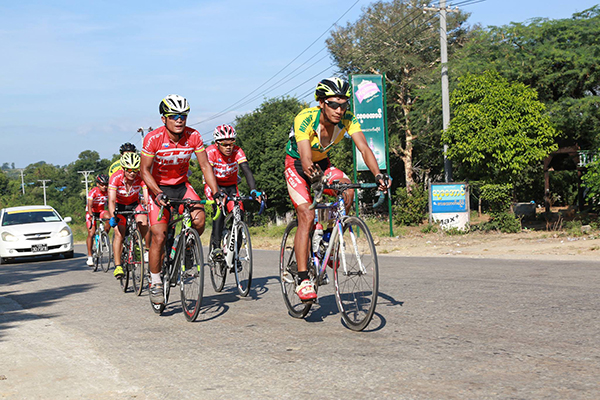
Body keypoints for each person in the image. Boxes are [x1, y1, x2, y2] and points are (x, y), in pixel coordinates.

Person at [284, 77, 391, 301]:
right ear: (321, 103)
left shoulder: (349, 120)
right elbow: (305, 158)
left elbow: (364, 148)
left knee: (348, 190)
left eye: (344, 104)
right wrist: (316, 180)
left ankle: (330, 239)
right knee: (307, 214)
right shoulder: (305, 118)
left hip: (323, 163)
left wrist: (378, 174)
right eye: (334, 104)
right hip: (297, 164)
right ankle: (303, 279)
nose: (340, 110)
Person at [140, 94, 222, 305]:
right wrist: (157, 193)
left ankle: (186, 251)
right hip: (158, 188)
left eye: (183, 116)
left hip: (181, 186)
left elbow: (205, 166)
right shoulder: (153, 138)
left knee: (200, 219)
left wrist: (216, 192)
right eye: (174, 116)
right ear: (163, 119)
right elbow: (144, 171)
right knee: (159, 235)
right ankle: (156, 281)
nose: (179, 120)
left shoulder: (193, 136)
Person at [204, 124, 263, 262]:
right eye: (225, 144)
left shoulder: (238, 151)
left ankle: (234, 254)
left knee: (239, 214)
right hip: (214, 185)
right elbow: (208, 174)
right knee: (219, 209)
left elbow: (246, 170)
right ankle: (216, 246)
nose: (229, 147)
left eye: (231, 143)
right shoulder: (211, 152)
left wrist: (253, 190)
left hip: (231, 185)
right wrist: (216, 193)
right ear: (217, 143)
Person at [107, 152, 149, 278]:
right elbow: (112, 201)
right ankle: (118, 265)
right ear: (124, 169)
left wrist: (148, 208)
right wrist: (112, 216)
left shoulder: (140, 177)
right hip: (120, 206)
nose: (132, 173)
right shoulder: (115, 178)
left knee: (144, 221)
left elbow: (146, 196)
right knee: (119, 233)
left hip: (134, 204)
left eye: (135, 170)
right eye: (129, 170)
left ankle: (139, 245)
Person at [85, 174, 110, 266]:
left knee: (110, 217)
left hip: (101, 211)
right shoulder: (93, 192)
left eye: (106, 184)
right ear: (98, 184)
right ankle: (90, 257)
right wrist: (91, 216)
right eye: (102, 184)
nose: (104, 187)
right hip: (91, 212)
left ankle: (104, 235)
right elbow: (90, 205)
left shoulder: (108, 191)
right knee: (91, 233)